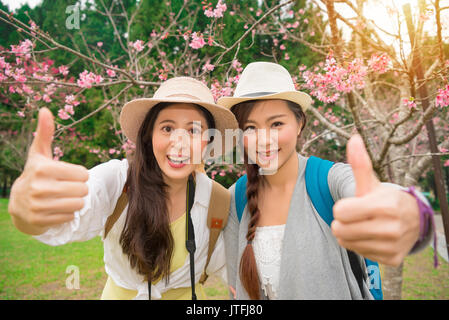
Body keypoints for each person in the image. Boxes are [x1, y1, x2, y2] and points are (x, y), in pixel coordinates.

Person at [218, 61, 437, 300]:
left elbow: (374, 194)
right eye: (250, 127)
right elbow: (236, 290)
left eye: (277, 124)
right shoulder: (236, 198)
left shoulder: (328, 180)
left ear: (300, 123)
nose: (263, 139)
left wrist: (408, 212)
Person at [7, 77, 238, 300]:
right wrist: (27, 211)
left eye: (193, 130)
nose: (179, 142)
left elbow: (233, 268)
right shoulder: (117, 181)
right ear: (149, 136)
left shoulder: (216, 200)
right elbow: (70, 215)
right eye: (167, 128)